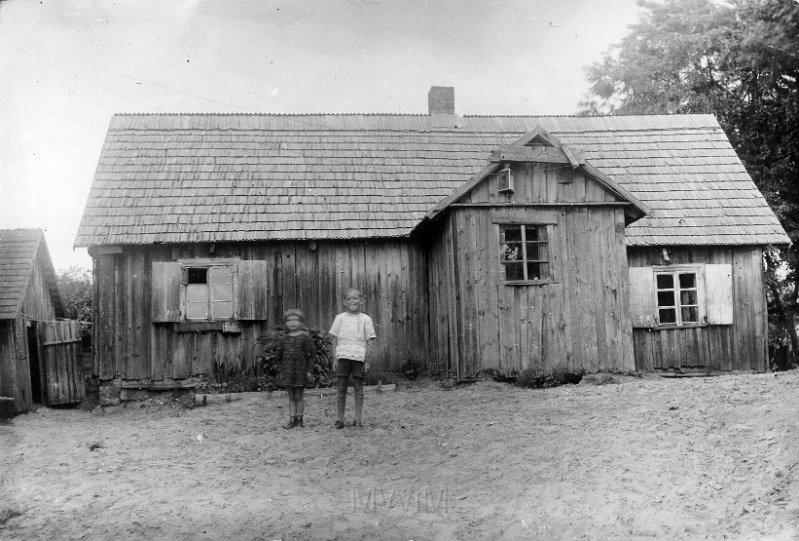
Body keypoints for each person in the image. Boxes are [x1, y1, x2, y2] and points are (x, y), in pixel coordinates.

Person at [328, 288, 376, 429]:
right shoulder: (340, 318)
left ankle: (357, 419)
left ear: (361, 301)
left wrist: (367, 361)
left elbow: (370, 341)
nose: (353, 301)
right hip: (343, 357)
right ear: (345, 302)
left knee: (358, 388)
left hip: (358, 359)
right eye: (349, 299)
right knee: (341, 388)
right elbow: (334, 338)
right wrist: (334, 359)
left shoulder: (366, 319)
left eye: (356, 298)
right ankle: (340, 419)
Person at [276, 309, 315, 429]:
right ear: (286, 323)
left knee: (299, 396)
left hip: (300, 372)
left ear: (301, 323)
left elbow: (311, 355)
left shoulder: (305, 338)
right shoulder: (284, 339)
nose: (292, 322)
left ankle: (300, 419)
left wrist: (309, 371)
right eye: (289, 320)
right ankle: (292, 419)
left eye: (295, 320)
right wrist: (281, 371)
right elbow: (279, 356)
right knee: (291, 397)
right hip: (288, 372)